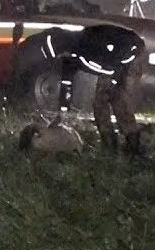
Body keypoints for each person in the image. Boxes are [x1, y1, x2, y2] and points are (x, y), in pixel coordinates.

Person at [35, 24, 145, 155]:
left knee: (118, 99)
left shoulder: (89, 47)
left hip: (130, 51)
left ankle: (133, 145)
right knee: (99, 102)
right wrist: (62, 111)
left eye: (60, 56)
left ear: (65, 49)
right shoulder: (71, 55)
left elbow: (111, 67)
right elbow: (66, 82)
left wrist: (116, 83)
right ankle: (109, 142)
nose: (60, 60)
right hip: (111, 61)